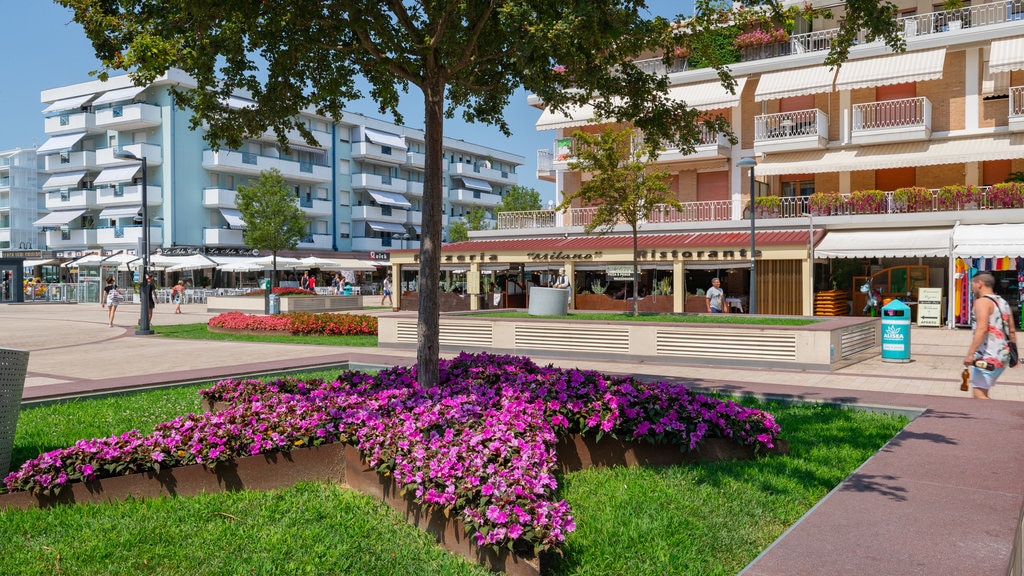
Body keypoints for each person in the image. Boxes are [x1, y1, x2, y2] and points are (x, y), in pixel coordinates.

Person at [963, 272, 1017, 399]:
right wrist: (1014, 355)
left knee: (979, 395)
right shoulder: (1003, 302)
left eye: (973, 285)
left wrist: (970, 354)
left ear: (980, 284)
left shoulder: (982, 302)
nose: (972, 288)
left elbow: (981, 329)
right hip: (1003, 355)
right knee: (982, 392)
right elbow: (1012, 330)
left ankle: (998, 416)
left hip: (987, 357)